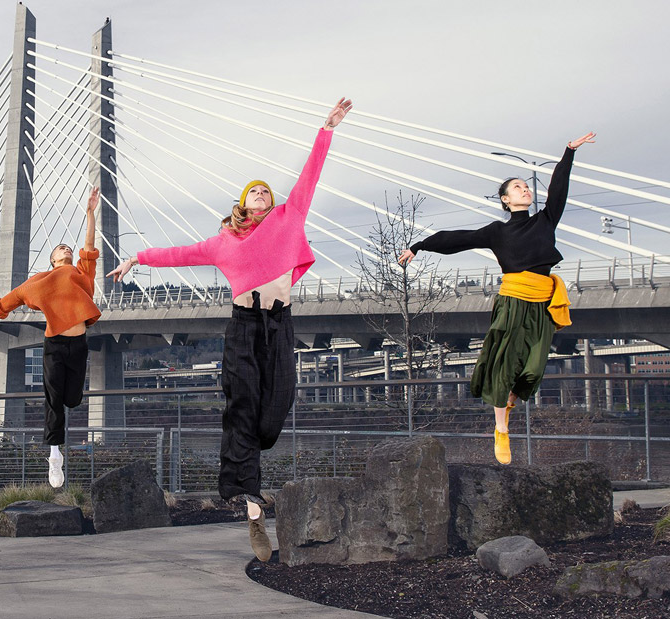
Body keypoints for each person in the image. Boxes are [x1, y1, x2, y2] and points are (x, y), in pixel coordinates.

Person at [108, 99, 352, 562]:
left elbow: (310, 176)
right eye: (253, 192)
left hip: (279, 326)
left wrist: (326, 129)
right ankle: (253, 506)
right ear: (242, 203)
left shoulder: (288, 219)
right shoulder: (223, 242)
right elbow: (178, 254)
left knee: (275, 407)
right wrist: (136, 257)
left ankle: (251, 473)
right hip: (242, 328)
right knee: (242, 407)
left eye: (266, 191)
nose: (262, 194)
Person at [398, 132, 596, 465]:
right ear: (506, 200)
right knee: (503, 366)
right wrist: (419, 246)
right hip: (513, 301)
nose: (526, 189)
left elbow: (560, 187)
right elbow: (456, 239)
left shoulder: (546, 221)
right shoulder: (498, 231)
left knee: (533, 369)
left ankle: (508, 402)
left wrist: (568, 152)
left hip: (542, 303)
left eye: (527, 186)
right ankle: (501, 428)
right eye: (518, 187)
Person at [0, 187, 101, 488]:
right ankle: (55, 455)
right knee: (54, 400)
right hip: (54, 345)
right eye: (60, 249)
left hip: (79, 345)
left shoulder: (83, 274)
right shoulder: (40, 282)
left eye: (68, 247)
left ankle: (57, 445)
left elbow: (90, 244)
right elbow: (11, 299)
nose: (66, 249)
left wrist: (90, 214)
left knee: (73, 399)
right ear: (53, 259)